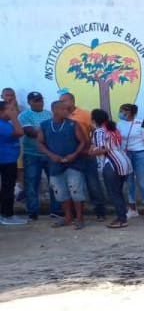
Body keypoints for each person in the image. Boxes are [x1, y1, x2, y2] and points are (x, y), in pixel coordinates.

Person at [35, 101, 89, 229]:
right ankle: (68, 218)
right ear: (55, 110)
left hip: (74, 164)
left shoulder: (73, 124)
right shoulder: (45, 125)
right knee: (61, 192)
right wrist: (52, 155)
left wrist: (74, 154)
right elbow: (40, 144)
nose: (68, 111)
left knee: (76, 191)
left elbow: (83, 142)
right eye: (64, 109)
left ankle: (80, 219)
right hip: (55, 164)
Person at [59, 91, 106, 220]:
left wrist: (93, 147)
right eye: (60, 101)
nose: (62, 103)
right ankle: (74, 214)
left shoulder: (85, 114)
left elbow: (97, 130)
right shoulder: (59, 116)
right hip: (69, 157)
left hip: (86, 156)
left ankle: (100, 212)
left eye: (64, 100)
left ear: (72, 101)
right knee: (72, 185)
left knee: (93, 185)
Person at [19, 92, 60, 221]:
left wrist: (42, 131)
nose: (39, 102)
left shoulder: (48, 114)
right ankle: (33, 212)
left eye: (41, 99)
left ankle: (56, 210)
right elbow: (30, 132)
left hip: (49, 154)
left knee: (54, 183)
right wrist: (47, 131)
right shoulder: (24, 115)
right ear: (29, 102)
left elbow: (55, 131)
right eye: (36, 100)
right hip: (32, 154)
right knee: (31, 184)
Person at [90, 108, 132, 229]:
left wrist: (90, 151)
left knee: (114, 193)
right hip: (124, 162)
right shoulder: (113, 129)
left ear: (94, 120)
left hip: (112, 164)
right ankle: (121, 217)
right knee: (117, 192)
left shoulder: (99, 131)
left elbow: (102, 149)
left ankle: (122, 219)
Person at [118, 103, 144, 219]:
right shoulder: (119, 124)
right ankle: (133, 209)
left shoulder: (142, 123)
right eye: (121, 111)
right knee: (129, 183)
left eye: (123, 111)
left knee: (142, 182)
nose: (121, 113)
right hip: (125, 155)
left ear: (131, 113)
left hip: (139, 154)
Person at [0, 98, 23, 225]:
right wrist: (14, 117)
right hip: (5, 161)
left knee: (7, 188)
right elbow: (20, 132)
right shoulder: (2, 124)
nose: (14, 111)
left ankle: (5, 214)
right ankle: (7, 216)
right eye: (11, 109)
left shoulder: (5, 123)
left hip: (8, 160)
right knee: (8, 188)